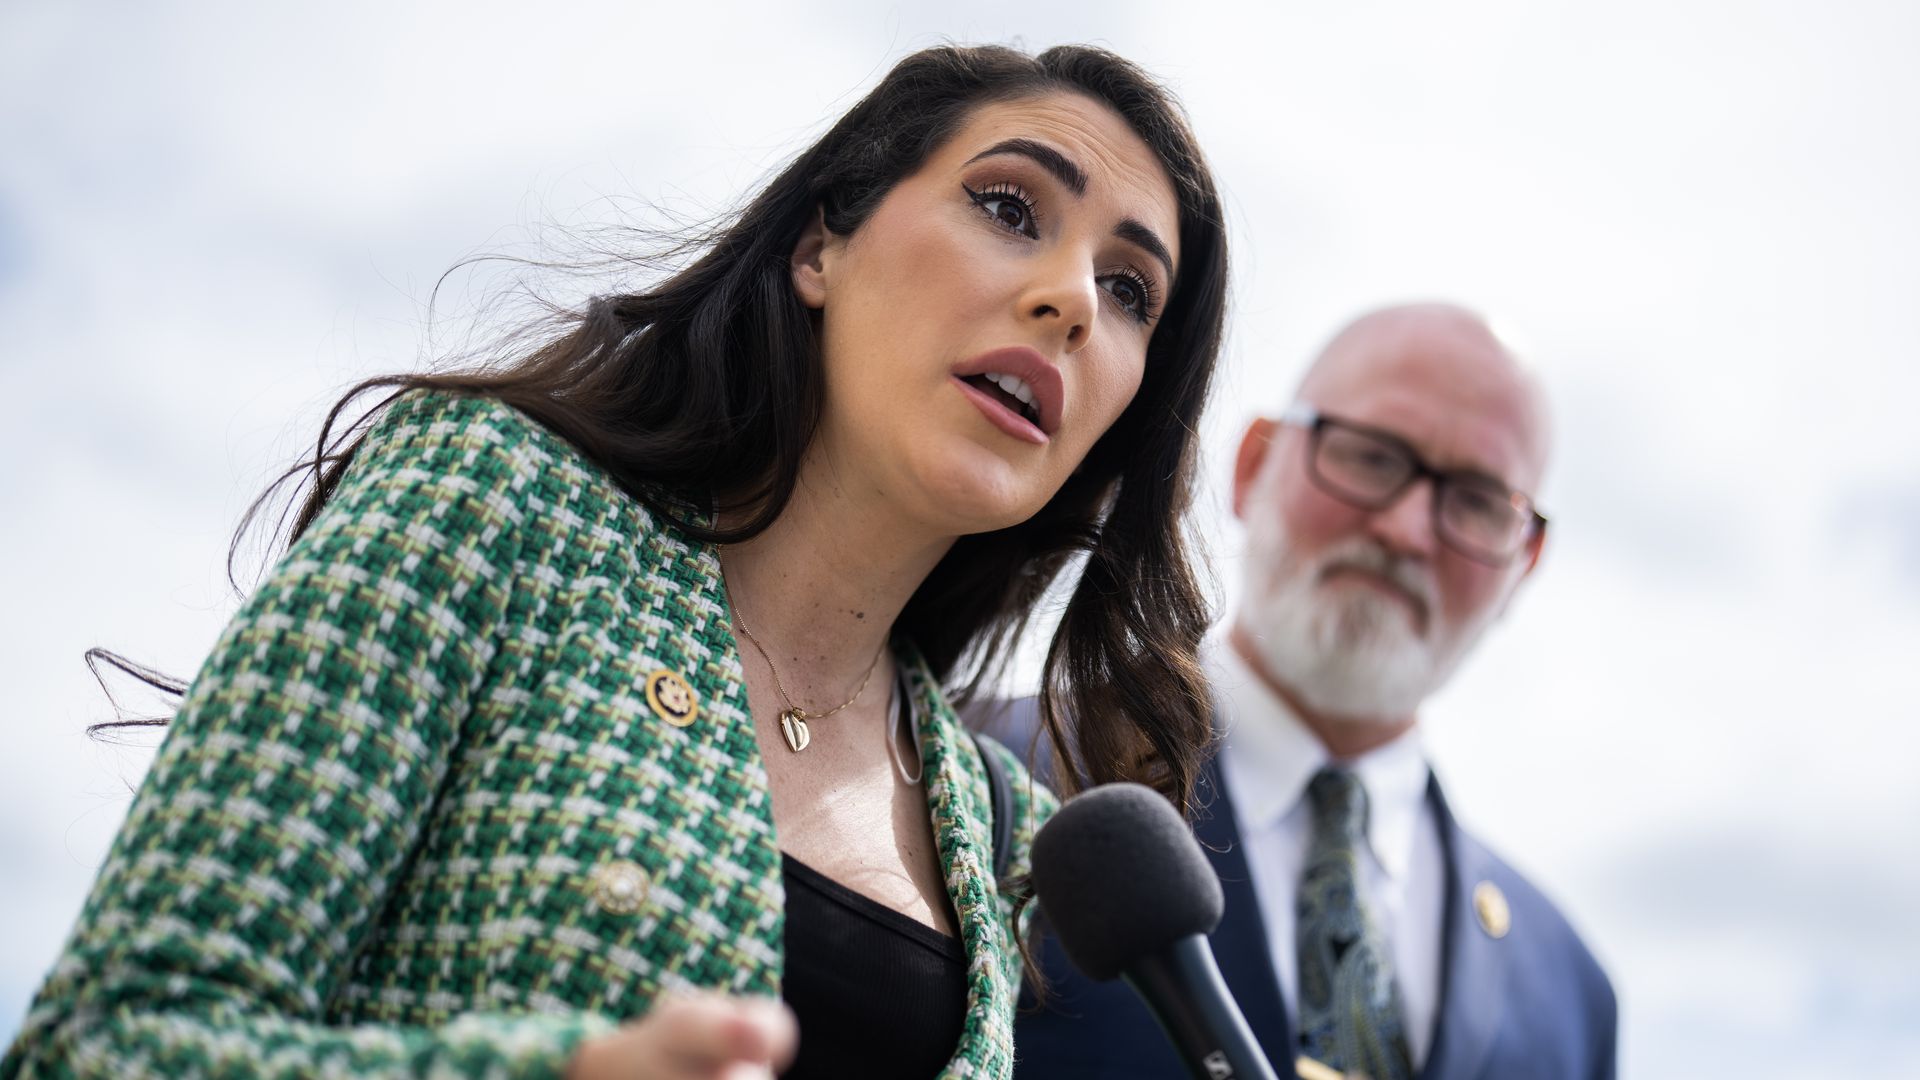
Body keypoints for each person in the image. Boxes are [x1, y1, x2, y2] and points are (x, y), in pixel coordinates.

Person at [2, 44, 1228, 1080]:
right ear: (822, 250)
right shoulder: (493, 501)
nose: (1072, 299)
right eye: (1010, 209)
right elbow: (109, 1040)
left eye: (1130, 291)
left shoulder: (999, 820)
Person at [1009, 304, 1616, 1079]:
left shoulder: (1570, 993)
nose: (1407, 530)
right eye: (1370, 456)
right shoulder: (982, 769)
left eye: (1474, 500)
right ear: (1254, 465)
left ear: (1522, 563)